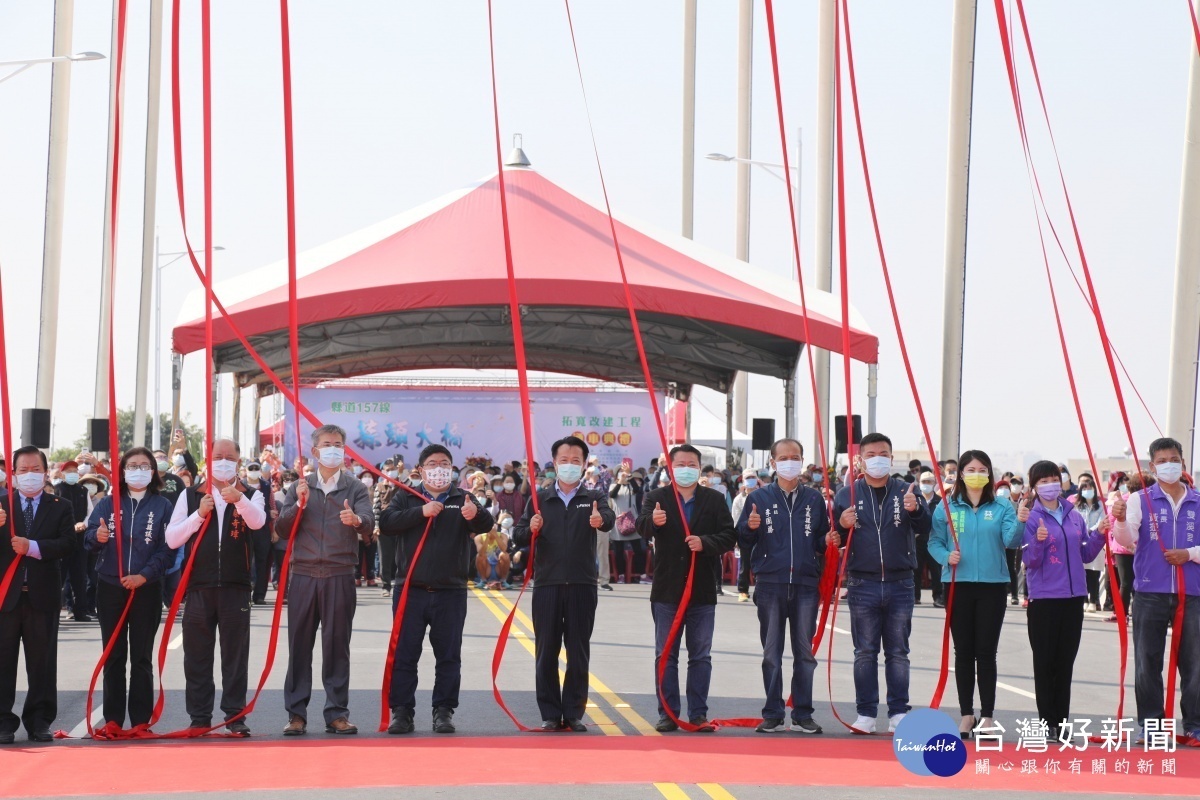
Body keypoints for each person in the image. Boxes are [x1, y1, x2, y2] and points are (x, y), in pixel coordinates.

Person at [379, 444, 494, 735]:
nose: (439, 468)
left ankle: (443, 711)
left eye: (444, 463)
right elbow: (387, 522)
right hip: (410, 590)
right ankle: (402, 711)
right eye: (433, 463)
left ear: (452, 468)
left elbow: (486, 523)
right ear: (421, 470)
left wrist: (474, 514)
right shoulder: (406, 496)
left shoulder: (463, 497)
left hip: (450, 591)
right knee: (405, 654)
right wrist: (421, 511)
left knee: (449, 655)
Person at [275, 425, 374, 736]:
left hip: (339, 574)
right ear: (315, 452)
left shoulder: (355, 488)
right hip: (303, 574)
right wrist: (297, 505)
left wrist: (357, 521)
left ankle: (336, 713)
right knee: (299, 647)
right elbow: (281, 528)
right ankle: (296, 715)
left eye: (338, 444)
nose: (333, 449)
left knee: (336, 647)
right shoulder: (299, 487)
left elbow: (368, 522)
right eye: (327, 444)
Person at [512, 436, 615, 732]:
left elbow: (608, 519)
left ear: (584, 465)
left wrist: (600, 521)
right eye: (564, 460)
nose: (569, 465)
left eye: (576, 461)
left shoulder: (594, 497)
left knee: (578, 650)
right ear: (554, 463)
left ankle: (573, 712)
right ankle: (549, 712)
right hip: (547, 584)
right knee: (546, 650)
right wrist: (530, 528)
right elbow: (518, 534)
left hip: (582, 584)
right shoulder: (540, 498)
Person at [165, 438, 267, 734]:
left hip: (236, 586)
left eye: (229, 456)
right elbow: (172, 539)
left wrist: (239, 499)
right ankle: (199, 717)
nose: (223, 460)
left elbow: (258, 523)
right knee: (197, 655)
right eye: (218, 456)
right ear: (209, 459)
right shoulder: (191, 495)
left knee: (235, 655)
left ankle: (235, 717)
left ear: (238, 460)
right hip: (198, 586)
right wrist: (199, 514)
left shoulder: (252, 493)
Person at [831, 432, 930, 734]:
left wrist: (916, 509)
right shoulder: (846, 494)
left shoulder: (907, 490)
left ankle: (899, 711)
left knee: (898, 652)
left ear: (891, 457)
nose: (878, 459)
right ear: (860, 459)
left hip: (901, 583)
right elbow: (833, 536)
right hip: (863, 583)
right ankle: (866, 713)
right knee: (865, 651)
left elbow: (926, 527)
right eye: (871, 454)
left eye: (883, 454)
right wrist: (841, 525)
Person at [637, 444, 735, 733]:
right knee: (666, 653)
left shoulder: (715, 500)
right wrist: (652, 523)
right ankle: (667, 712)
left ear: (699, 467)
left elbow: (729, 536)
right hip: (667, 589)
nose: (685, 469)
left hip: (702, 589)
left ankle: (698, 714)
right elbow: (640, 527)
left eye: (691, 464)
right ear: (670, 467)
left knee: (700, 654)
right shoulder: (656, 497)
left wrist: (706, 543)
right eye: (680, 464)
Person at [927, 450, 1025, 738]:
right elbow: (933, 541)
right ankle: (967, 714)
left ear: (990, 474)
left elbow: (1012, 541)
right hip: (958, 583)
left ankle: (989, 716)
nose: (977, 474)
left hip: (993, 586)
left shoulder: (1003, 505)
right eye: (971, 469)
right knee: (964, 651)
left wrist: (1020, 520)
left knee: (986, 652)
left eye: (983, 469)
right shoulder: (947, 506)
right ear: (961, 474)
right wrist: (946, 556)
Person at [736, 438, 830, 734]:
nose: (791, 462)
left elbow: (820, 539)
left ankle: (803, 713)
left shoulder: (814, 500)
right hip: (770, 583)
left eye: (796, 457)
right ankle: (773, 712)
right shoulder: (758, 498)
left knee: (805, 653)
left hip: (804, 584)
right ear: (773, 463)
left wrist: (827, 542)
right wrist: (749, 529)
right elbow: (743, 540)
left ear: (802, 461)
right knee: (771, 652)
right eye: (784, 457)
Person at [1112, 437, 1200, 741]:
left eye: (1173, 459)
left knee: (1195, 661)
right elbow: (1125, 540)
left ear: (1183, 463)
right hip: (1150, 591)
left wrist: (1189, 554)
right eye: (1162, 461)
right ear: (1152, 466)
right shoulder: (1140, 500)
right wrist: (1120, 520)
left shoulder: (1198, 501)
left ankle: (1195, 725)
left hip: (1193, 592)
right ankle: (1151, 725)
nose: (1169, 465)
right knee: (1147, 660)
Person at [84, 447, 175, 731]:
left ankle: (139, 721)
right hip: (111, 585)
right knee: (113, 654)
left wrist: (143, 576)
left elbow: (168, 549)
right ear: (123, 471)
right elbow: (88, 539)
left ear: (153, 471)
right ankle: (112, 719)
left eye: (144, 465)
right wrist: (97, 537)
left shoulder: (163, 506)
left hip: (146, 588)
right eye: (132, 465)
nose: (138, 470)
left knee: (141, 656)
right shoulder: (107, 503)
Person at [1020, 459, 1107, 737]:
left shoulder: (1073, 515)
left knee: (1065, 663)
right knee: (1045, 663)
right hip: (1044, 599)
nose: (1050, 485)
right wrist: (1038, 541)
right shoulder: (1030, 517)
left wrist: (1101, 534)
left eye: (1053, 479)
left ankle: (1063, 722)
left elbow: (1085, 554)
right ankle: (1048, 723)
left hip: (1073, 599)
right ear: (1034, 487)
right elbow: (1029, 562)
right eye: (1043, 481)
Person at [0, 446, 75, 743]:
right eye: (23, 470)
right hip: (7, 596)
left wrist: (32, 547)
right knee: (3, 661)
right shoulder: (2, 505)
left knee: (42, 663)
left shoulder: (60, 505)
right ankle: (4, 722)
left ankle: (39, 720)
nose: (29, 475)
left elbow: (68, 543)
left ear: (45, 473)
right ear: (13, 475)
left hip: (42, 596)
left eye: (35, 470)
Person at [55, 460, 92, 622]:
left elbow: (90, 512)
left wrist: (83, 523)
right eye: (68, 470)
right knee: (59, 576)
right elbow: (53, 514)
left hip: (80, 538)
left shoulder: (83, 490)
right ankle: (55, 610)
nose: (72, 473)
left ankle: (80, 611)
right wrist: (70, 527)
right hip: (61, 539)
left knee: (80, 576)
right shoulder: (57, 490)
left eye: (75, 470)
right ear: (62, 474)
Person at [1072, 473, 1106, 613]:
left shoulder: (1100, 506)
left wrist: (1092, 531)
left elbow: (1102, 521)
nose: (1087, 490)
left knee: (1094, 574)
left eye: (1089, 487)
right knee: (1083, 573)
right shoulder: (1077, 506)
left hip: (1095, 540)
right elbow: (1075, 522)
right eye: (1084, 488)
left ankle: (1094, 600)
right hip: (1080, 542)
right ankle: (1085, 599)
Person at [609, 465, 646, 584]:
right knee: (618, 550)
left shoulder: (632, 486)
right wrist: (620, 482)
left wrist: (629, 476)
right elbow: (612, 495)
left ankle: (641, 575)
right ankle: (620, 575)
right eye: (620, 472)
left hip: (632, 521)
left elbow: (637, 490)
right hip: (618, 521)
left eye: (623, 471)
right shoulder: (613, 485)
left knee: (638, 549)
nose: (622, 473)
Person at [913, 471, 944, 608]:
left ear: (934, 483)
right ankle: (915, 596)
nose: (926, 485)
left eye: (929, 482)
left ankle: (938, 597)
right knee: (916, 568)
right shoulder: (916, 500)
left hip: (934, 539)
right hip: (917, 539)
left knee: (935, 570)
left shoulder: (940, 501)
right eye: (924, 482)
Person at [731, 467, 759, 603]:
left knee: (761, 562)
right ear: (743, 480)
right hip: (744, 535)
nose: (751, 480)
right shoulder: (738, 499)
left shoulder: (763, 495)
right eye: (748, 478)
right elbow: (735, 519)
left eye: (753, 477)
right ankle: (743, 590)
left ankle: (760, 591)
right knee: (745, 564)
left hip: (761, 536)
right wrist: (736, 538)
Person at [374, 460, 400, 598]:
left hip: (400, 526)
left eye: (393, 469)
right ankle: (386, 586)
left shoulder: (401, 484)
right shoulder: (379, 486)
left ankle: (399, 583)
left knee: (400, 557)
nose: (391, 472)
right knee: (385, 557)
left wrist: (400, 477)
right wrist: (376, 526)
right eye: (388, 469)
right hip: (384, 527)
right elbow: (376, 507)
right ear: (383, 472)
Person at [475, 516, 512, 590]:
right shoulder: (479, 537)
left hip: (498, 567)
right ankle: (483, 580)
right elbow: (481, 553)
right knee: (480, 556)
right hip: (486, 568)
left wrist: (495, 535)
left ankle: (503, 580)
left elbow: (504, 549)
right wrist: (487, 538)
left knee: (505, 555)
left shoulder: (503, 536)